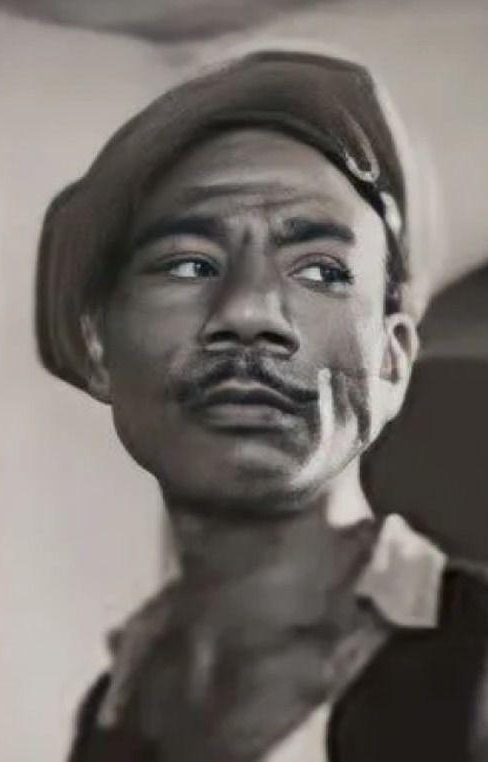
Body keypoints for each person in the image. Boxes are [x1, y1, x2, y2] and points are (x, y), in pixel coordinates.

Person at [35, 50, 488, 761]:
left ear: (393, 359)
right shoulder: (121, 697)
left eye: (321, 271)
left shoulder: (474, 660)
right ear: (99, 347)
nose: (248, 309)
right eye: (189, 263)